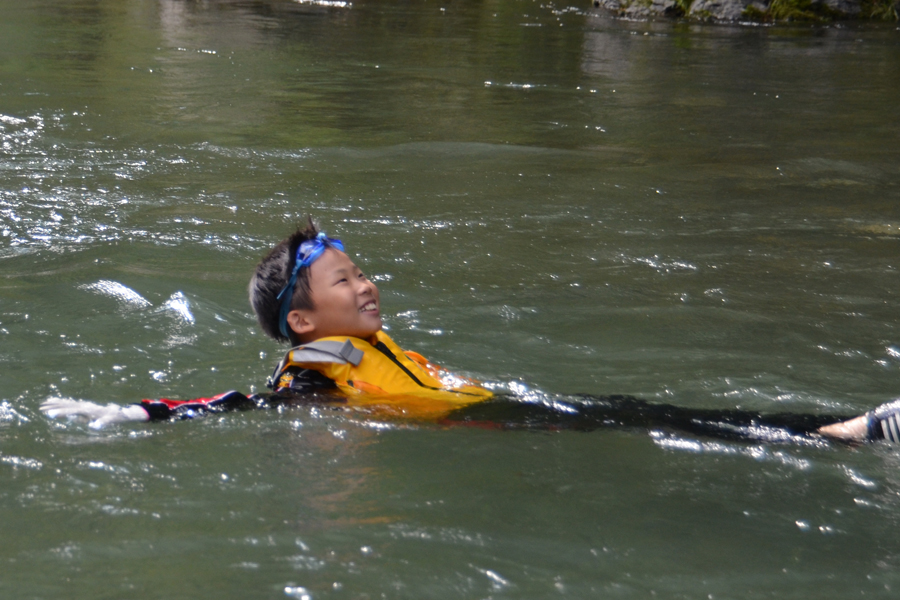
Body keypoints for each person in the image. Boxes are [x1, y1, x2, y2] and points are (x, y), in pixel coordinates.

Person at [40, 220, 900, 445]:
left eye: (362, 271)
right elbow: (230, 405)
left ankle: (844, 427)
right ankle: (850, 433)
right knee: (659, 420)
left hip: (503, 406)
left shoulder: (352, 350)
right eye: (347, 281)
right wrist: (137, 414)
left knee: (658, 411)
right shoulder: (312, 380)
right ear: (303, 323)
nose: (368, 284)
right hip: (486, 424)